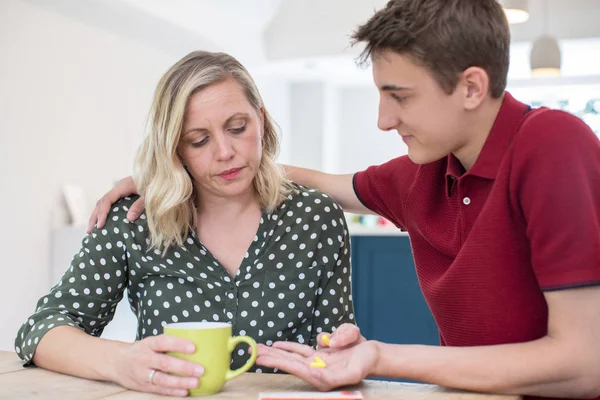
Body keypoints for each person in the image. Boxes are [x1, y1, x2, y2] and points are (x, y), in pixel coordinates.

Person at [90, 1, 600, 399]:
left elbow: (584, 365)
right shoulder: (421, 175)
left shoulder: (552, 144)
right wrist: (176, 170)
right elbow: (315, 179)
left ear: (470, 87)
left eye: (399, 96)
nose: (383, 118)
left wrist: (380, 357)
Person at [15, 51, 355, 398]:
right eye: (199, 140)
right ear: (175, 148)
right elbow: (40, 330)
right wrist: (121, 361)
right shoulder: (133, 221)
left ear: (261, 120)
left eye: (238, 128)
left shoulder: (314, 217)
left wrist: (345, 352)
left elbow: (336, 354)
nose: (225, 151)